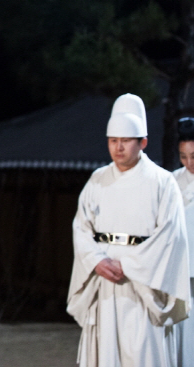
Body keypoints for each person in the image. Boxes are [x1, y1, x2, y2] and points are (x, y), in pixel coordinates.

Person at [67, 93, 190, 366]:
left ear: (142, 142)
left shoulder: (162, 182)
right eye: (113, 141)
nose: (118, 148)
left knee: (144, 352)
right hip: (105, 284)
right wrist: (96, 260)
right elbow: (82, 227)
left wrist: (129, 264)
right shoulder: (97, 180)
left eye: (125, 141)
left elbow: (171, 237)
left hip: (145, 286)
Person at [173, 117, 194, 366]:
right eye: (183, 156)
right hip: (180, 273)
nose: (189, 163)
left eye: (193, 156)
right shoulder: (171, 182)